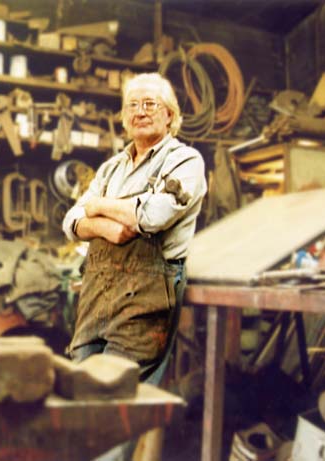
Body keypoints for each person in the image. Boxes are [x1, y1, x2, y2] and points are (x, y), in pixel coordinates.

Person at [62, 72, 207, 386]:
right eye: (132, 106)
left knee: (115, 394)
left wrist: (97, 206)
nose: (140, 112)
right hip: (97, 292)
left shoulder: (185, 160)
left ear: (169, 114)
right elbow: (71, 221)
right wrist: (107, 226)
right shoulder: (110, 168)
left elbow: (153, 216)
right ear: (124, 117)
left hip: (148, 291)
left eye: (150, 104)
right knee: (79, 386)